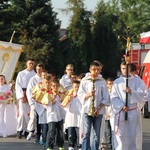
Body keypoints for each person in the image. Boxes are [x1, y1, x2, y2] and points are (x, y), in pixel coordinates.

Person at [111, 61, 148, 150]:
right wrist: (121, 106)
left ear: (130, 69)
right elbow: (113, 97)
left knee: (133, 134)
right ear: (120, 69)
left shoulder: (137, 81)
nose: (125, 70)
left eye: (127, 69)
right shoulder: (117, 82)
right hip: (121, 111)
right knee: (120, 135)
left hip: (132, 111)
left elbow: (143, 94)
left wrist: (132, 92)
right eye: (123, 69)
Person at [78, 61, 110, 150]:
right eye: (94, 69)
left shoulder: (102, 81)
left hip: (98, 111)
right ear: (90, 69)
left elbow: (106, 97)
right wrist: (88, 95)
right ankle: (85, 148)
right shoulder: (85, 81)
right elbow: (80, 95)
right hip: (87, 110)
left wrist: (99, 108)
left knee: (96, 134)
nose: (96, 72)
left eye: (98, 70)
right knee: (86, 133)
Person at [15, 58, 36, 139]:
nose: (31, 65)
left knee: (30, 114)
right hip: (23, 94)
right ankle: (19, 130)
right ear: (26, 64)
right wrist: (21, 96)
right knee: (22, 114)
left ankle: (28, 130)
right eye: (30, 63)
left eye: (32, 63)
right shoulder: (21, 73)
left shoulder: (35, 74)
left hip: (31, 95)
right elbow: (18, 85)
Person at [43, 79, 66, 150]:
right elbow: (44, 104)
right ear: (51, 87)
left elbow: (65, 103)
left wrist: (63, 101)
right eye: (54, 86)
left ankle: (60, 144)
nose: (55, 87)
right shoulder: (48, 94)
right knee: (51, 131)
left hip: (60, 115)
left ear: (59, 86)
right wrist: (50, 103)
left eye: (57, 85)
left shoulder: (61, 95)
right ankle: (49, 146)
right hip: (52, 116)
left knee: (60, 131)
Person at [26, 63, 45, 141]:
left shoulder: (45, 79)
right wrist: (31, 102)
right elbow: (29, 91)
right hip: (35, 102)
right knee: (33, 117)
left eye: (40, 69)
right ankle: (31, 131)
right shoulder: (33, 79)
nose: (38, 71)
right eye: (37, 69)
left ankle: (41, 134)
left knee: (42, 118)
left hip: (44, 102)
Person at [61, 80, 82, 150]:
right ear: (72, 87)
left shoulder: (82, 96)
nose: (77, 88)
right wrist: (69, 100)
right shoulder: (69, 96)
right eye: (75, 87)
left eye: (78, 87)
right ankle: (71, 145)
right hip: (71, 116)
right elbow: (64, 106)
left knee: (79, 132)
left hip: (79, 116)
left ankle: (80, 145)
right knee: (71, 132)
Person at [103, 77, 114, 150]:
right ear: (106, 84)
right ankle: (109, 146)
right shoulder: (105, 93)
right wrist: (106, 113)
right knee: (108, 132)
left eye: (112, 83)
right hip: (106, 115)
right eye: (109, 84)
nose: (111, 85)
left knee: (113, 132)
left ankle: (113, 146)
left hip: (113, 115)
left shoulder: (115, 92)